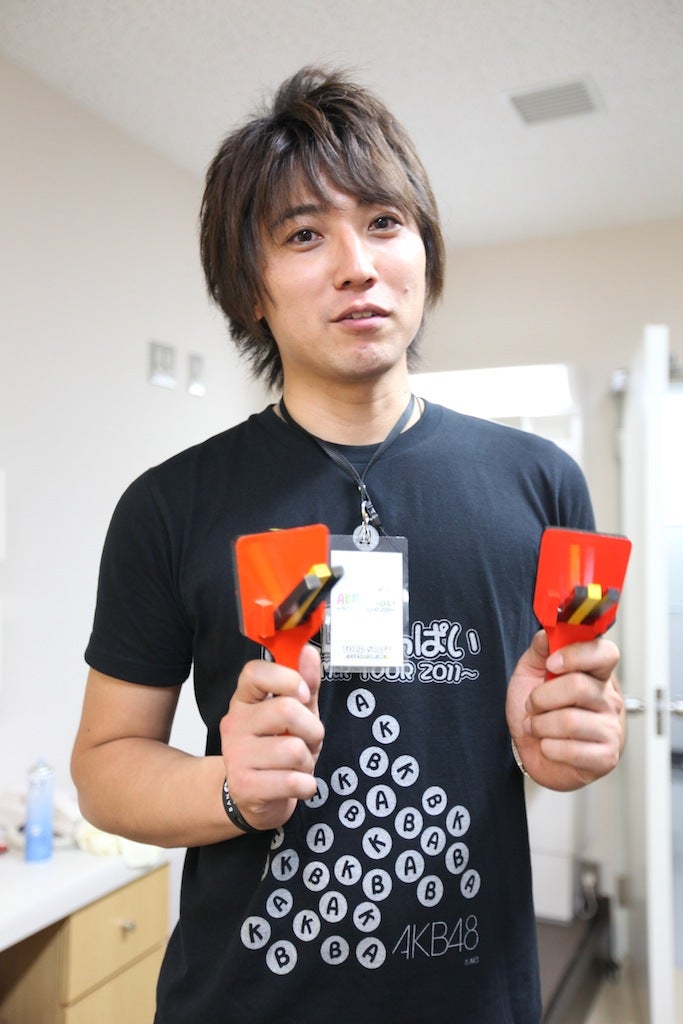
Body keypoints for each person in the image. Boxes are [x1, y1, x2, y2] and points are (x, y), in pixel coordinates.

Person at [71, 66, 624, 1023]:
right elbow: (104, 765)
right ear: (248, 288)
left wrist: (568, 738)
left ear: (424, 254)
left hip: (477, 997)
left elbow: (575, 699)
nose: (356, 264)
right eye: (302, 234)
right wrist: (229, 789)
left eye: (383, 221)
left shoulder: (540, 483)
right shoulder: (169, 505)